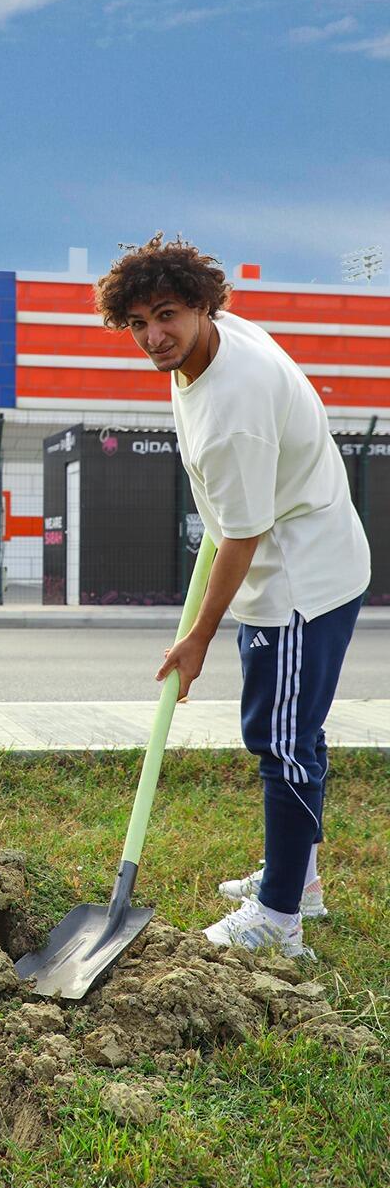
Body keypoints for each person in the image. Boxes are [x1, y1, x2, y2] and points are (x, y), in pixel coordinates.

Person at [95, 234, 370, 958]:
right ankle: (299, 878)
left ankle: (279, 919)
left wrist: (196, 638)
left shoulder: (232, 412)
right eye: (137, 325)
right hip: (305, 555)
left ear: (201, 305)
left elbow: (241, 538)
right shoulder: (214, 346)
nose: (153, 337)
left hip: (297, 585)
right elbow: (233, 518)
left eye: (167, 316)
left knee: (280, 741)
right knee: (295, 731)